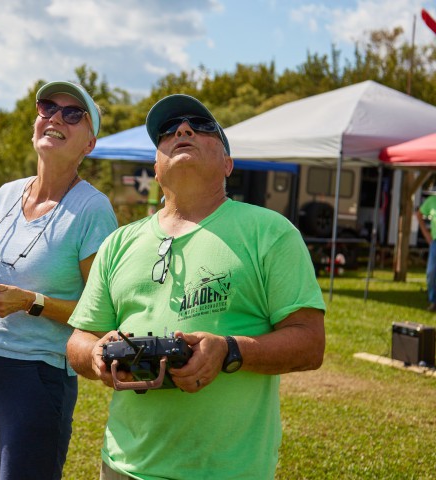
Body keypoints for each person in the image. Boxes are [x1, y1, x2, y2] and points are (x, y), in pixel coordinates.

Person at [66, 94, 326, 479]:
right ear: (156, 168)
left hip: (227, 471)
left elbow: (310, 343)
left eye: (202, 127)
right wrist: (96, 354)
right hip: (124, 466)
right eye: (168, 131)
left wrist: (229, 351)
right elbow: (79, 339)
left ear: (228, 164)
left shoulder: (270, 233)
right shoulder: (118, 243)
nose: (183, 130)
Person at [0, 81, 118, 480]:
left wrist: (30, 302)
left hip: (38, 374)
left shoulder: (92, 209)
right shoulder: (6, 194)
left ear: (89, 144)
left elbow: (100, 317)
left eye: (73, 114)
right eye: (47, 107)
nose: (55, 118)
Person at [415, 190, 436, 311]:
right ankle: (433, 301)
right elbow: (419, 214)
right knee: (431, 273)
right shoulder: (432, 201)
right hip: (435, 243)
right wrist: (426, 234)